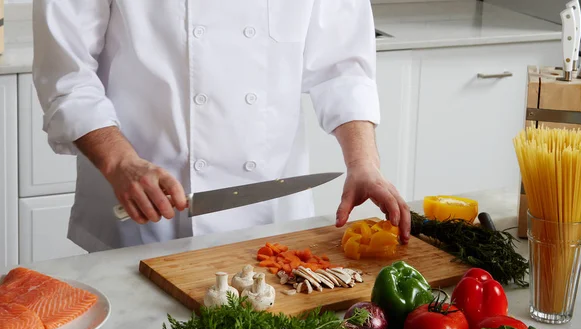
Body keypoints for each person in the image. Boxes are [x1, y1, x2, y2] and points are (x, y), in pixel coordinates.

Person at [31, 0, 411, 253]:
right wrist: (119, 163)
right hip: (144, 209)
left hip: (271, 215)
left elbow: (341, 67)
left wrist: (363, 163)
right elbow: (66, 73)